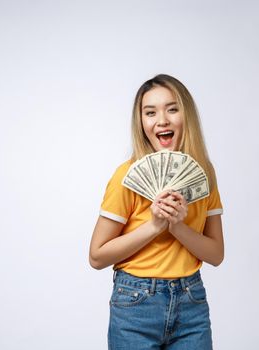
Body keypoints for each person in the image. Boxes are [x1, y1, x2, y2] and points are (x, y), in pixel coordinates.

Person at [89, 74, 224, 349]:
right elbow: (97, 256)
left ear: (187, 116)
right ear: (141, 123)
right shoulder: (125, 176)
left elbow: (216, 255)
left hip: (191, 303)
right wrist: (153, 226)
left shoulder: (204, 176)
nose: (161, 120)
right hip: (135, 305)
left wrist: (178, 227)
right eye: (150, 112)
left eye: (172, 109)